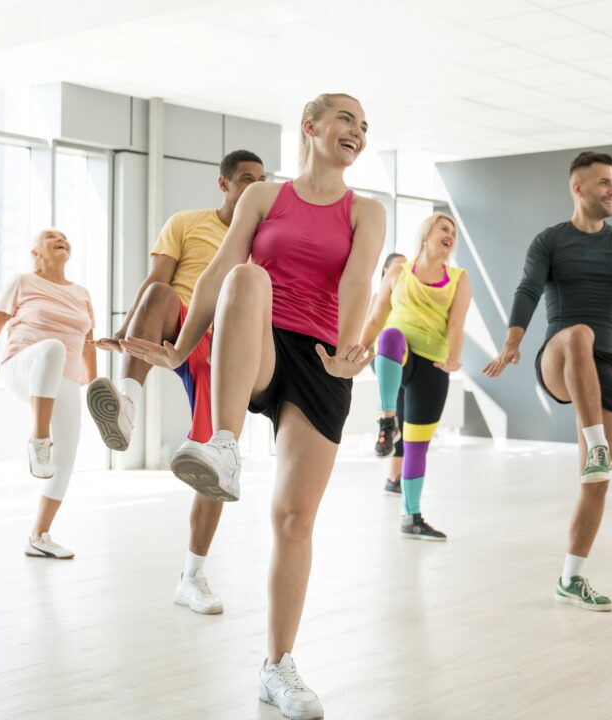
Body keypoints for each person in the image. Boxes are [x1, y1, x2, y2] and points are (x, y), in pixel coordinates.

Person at [121, 93, 384, 719]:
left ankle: (277, 667)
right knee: (247, 277)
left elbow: (358, 279)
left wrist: (349, 349)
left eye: (365, 127)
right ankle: (226, 445)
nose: (357, 131)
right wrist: (182, 348)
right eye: (346, 119)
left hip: (322, 360)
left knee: (294, 520)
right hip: (260, 344)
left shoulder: (365, 210)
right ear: (311, 127)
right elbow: (215, 272)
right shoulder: (264, 196)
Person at [484, 151, 612, 611]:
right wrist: (513, 342)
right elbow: (528, 290)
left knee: (597, 483)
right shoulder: (550, 241)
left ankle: (570, 579)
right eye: (603, 183)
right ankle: (593, 443)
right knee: (579, 333)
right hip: (560, 357)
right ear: (578, 189)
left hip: (608, 367)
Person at [88, 150, 266, 615]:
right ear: (223, 184)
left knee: (213, 463)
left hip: (223, 346)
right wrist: (126, 336)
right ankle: (125, 405)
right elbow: (153, 284)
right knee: (162, 293)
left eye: (263, 180)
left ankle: (192, 576)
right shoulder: (186, 223)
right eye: (246, 178)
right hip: (177, 320)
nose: (255, 186)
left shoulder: (263, 239)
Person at [0, 229, 96, 559]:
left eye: (64, 235)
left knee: (66, 459)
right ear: (36, 253)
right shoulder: (23, 282)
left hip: (64, 378)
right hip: (23, 365)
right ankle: (39, 440)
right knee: (52, 348)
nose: (61, 237)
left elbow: (89, 342)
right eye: (50, 237)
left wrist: (94, 386)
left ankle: (39, 536)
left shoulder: (81, 293)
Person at [360, 214, 471, 539]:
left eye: (454, 232)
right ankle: (386, 420)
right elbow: (377, 314)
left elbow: (456, 324)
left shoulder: (458, 278)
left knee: (416, 445)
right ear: (427, 234)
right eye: (444, 229)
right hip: (399, 355)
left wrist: (453, 359)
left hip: (432, 366)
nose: (450, 235)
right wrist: (359, 349)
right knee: (391, 334)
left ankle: (411, 516)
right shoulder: (398, 272)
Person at [367, 252, 408, 495]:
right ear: (386, 272)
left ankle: (395, 477)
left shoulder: (409, 297)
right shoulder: (377, 299)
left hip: (406, 358)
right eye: (397, 268)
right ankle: (394, 478)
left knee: (405, 417)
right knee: (399, 414)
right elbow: (368, 328)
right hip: (383, 357)